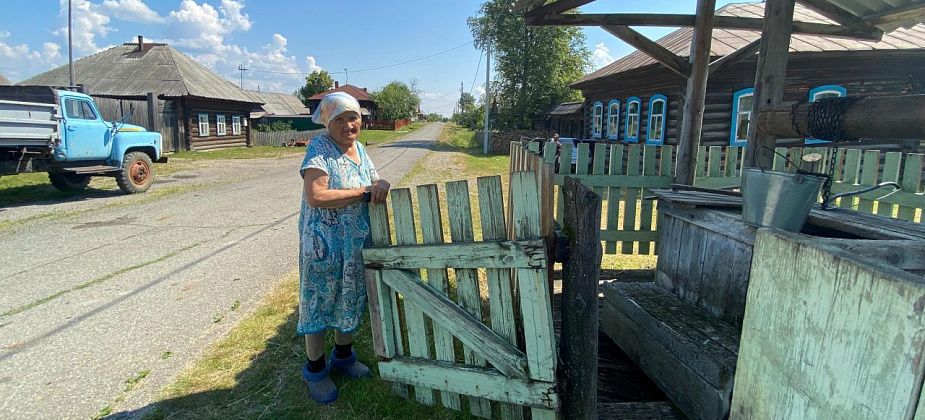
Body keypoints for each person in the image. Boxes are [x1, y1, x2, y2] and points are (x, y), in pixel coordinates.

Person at [298, 92, 391, 404]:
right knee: (319, 301)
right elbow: (316, 196)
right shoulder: (319, 148)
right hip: (322, 244)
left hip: (352, 243)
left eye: (352, 117)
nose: (348, 124)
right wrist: (364, 191)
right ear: (327, 122)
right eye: (339, 118)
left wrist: (381, 185)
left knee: (348, 295)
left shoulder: (360, 149)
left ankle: (343, 356)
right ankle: (315, 370)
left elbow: (374, 182)